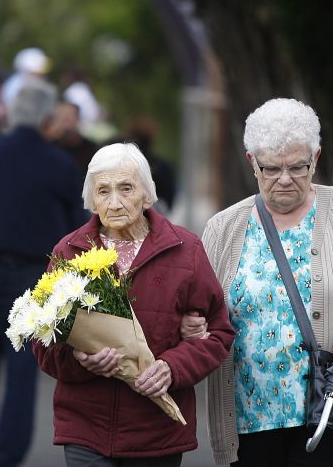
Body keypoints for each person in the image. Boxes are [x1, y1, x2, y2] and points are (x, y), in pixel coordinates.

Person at [200, 98, 333, 466]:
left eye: (298, 167)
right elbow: (196, 305)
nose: (284, 179)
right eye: (271, 168)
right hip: (248, 416)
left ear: (316, 157)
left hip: (329, 410)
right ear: (252, 162)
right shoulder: (223, 228)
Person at [33, 142, 234, 467]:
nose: (114, 202)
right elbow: (43, 344)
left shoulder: (186, 250)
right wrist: (81, 360)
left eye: (126, 188)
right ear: (91, 200)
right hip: (86, 427)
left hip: (156, 432)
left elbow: (218, 333)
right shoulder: (69, 252)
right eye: (103, 191)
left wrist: (172, 367)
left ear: (146, 193)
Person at [0, 81, 87, 467]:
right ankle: (7, 455)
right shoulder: (60, 163)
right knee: (22, 367)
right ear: (48, 120)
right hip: (34, 272)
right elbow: (73, 225)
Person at [45, 101, 99, 173]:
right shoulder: (47, 147)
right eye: (62, 116)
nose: (65, 121)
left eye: (70, 116)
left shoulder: (92, 150)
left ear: (78, 119)